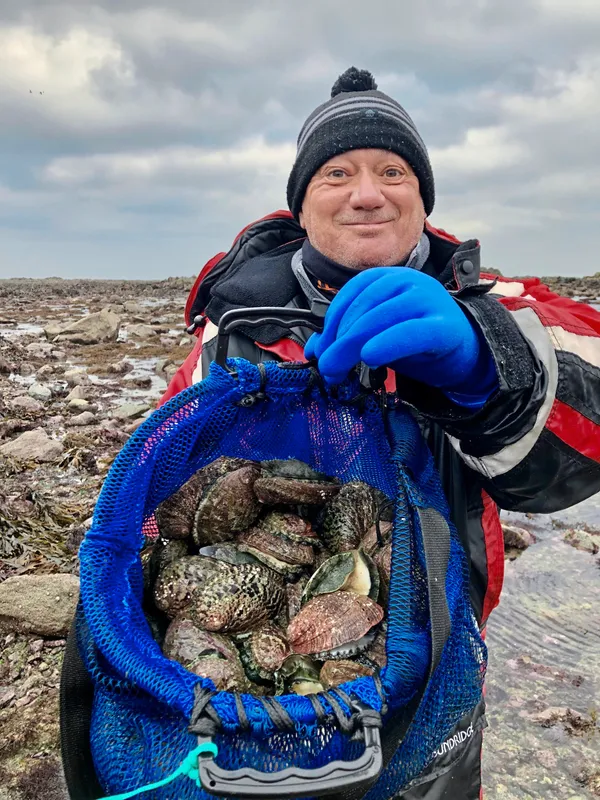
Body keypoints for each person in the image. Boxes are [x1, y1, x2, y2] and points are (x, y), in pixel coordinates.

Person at [161, 66, 600, 798]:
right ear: (301, 206)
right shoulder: (231, 331)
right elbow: (169, 492)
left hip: (442, 649)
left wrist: (485, 358)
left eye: (393, 171)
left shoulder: (495, 303)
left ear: (423, 200)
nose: (367, 193)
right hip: (261, 699)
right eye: (336, 173)